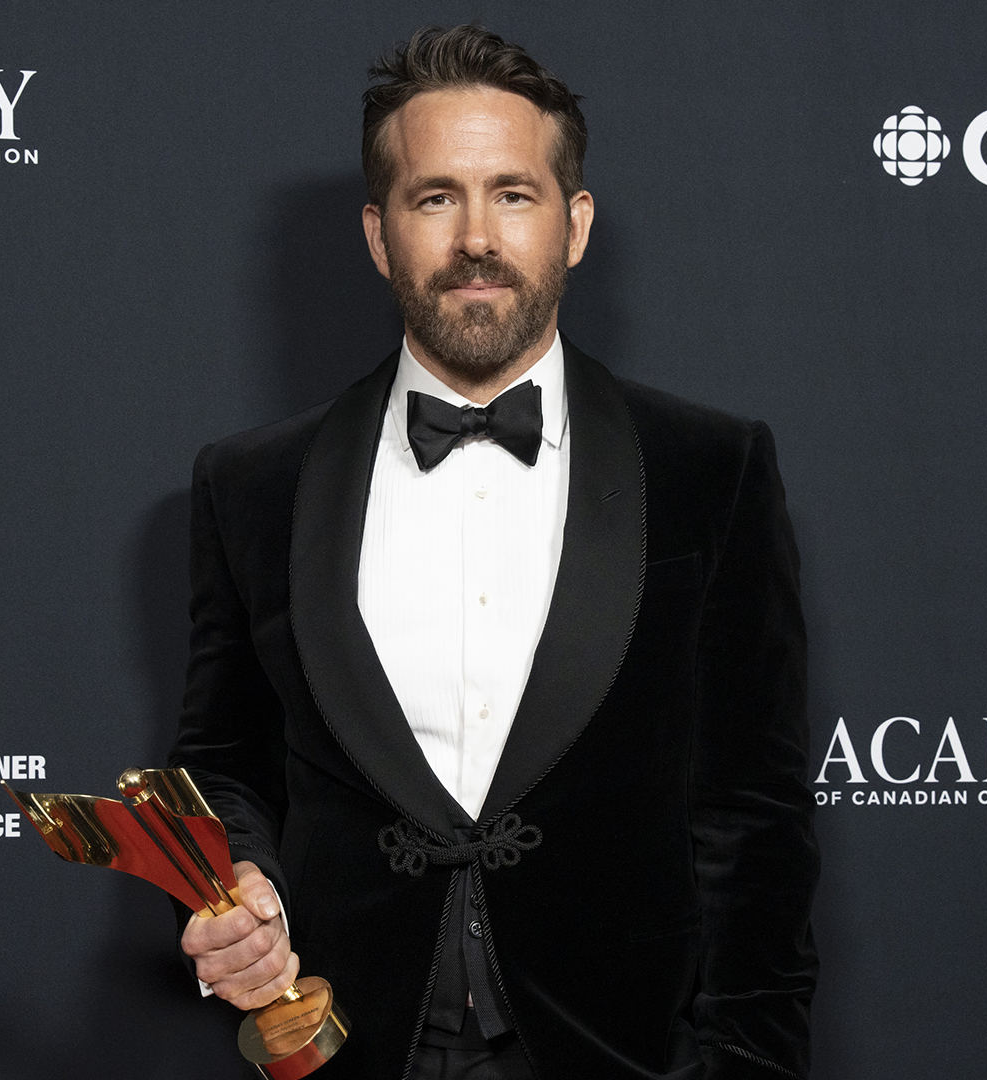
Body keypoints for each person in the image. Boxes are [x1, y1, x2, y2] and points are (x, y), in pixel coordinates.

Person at [172, 24, 817, 1080]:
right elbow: (226, 762)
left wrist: (749, 1063)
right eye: (436, 198)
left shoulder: (711, 467)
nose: (477, 236)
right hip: (349, 1047)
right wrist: (238, 884)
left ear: (575, 225)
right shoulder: (253, 485)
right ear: (380, 236)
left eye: (513, 194)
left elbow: (754, 810)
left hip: (626, 1050)